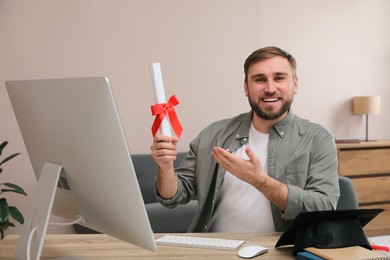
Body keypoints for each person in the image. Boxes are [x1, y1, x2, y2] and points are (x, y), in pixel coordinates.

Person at [150, 46, 339, 233]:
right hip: (212, 250)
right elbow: (172, 197)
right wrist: (165, 168)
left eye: (279, 78)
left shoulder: (318, 139)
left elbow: (322, 208)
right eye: (259, 80)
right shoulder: (213, 134)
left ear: (295, 85)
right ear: (246, 88)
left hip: (281, 252)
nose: (270, 88)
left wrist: (259, 181)